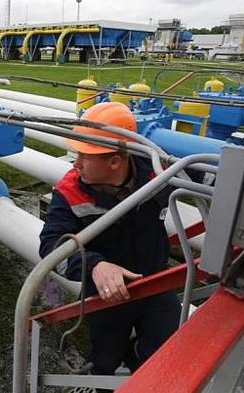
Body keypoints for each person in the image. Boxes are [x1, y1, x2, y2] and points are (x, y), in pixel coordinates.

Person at [39, 101, 181, 380]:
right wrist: (94, 266)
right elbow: (50, 246)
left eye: (84, 156)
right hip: (106, 294)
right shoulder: (70, 192)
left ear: (115, 161)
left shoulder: (158, 170)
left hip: (156, 282)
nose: (75, 163)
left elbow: (207, 175)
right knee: (105, 359)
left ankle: (141, 365)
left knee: (164, 351)